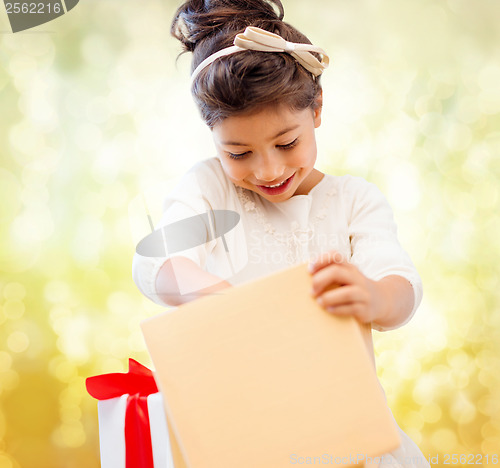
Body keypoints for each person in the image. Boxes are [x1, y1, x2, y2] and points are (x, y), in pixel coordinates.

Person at [132, 1, 430, 466]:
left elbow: (402, 288)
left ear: (316, 108)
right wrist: (220, 299)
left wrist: (374, 297)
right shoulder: (211, 189)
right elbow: (153, 261)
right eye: (238, 152)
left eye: (286, 143)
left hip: (348, 443)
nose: (267, 170)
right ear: (211, 137)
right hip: (247, 442)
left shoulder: (353, 201)